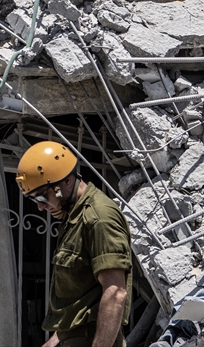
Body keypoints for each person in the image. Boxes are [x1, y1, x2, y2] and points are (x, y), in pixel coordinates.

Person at [16, 141, 132, 347]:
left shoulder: (98, 217)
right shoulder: (74, 218)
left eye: (43, 196)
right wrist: (55, 340)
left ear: (67, 181)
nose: (41, 207)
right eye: (35, 200)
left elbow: (115, 293)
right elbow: (80, 300)